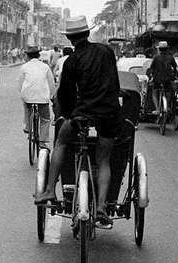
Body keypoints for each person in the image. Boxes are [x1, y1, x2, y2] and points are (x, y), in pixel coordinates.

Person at [38, 16, 122, 228]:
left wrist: (68, 115)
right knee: (103, 159)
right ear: (88, 33)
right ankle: (101, 206)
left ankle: (49, 190)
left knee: (61, 141)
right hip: (109, 112)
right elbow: (115, 82)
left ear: (70, 38)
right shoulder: (106, 51)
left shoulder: (72, 61)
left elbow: (65, 94)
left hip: (84, 112)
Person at [18, 46, 56, 144]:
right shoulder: (45, 67)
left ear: (28, 56)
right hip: (42, 97)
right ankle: (43, 141)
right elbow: (51, 83)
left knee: (27, 108)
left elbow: (20, 84)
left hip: (27, 96)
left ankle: (28, 126)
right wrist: (52, 95)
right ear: (39, 55)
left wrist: (22, 94)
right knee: (45, 119)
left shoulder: (24, 67)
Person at [146, 41, 178, 113]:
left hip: (157, 79)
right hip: (168, 79)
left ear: (159, 49)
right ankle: (168, 106)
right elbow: (175, 68)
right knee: (169, 91)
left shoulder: (156, 58)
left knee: (154, 92)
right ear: (167, 49)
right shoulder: (171, 58)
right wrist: (175, 76)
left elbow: (151, 68)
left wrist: (151, 76)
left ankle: (157, 108)